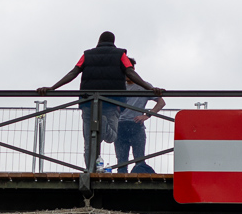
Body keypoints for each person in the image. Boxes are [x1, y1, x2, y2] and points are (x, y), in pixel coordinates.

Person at [37, 31, 163, 166]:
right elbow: (130, 72)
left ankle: (90, 170)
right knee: (112, 136)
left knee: (88, 142)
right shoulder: (120, 54)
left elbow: (73, 72)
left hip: (88, 102)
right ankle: (102, 122)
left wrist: (53, 87)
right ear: (113, 42)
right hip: (111, 102)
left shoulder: (86, 55)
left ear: (99, 41)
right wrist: (149, 88)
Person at [114, 80, 166, 173]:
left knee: (139, 160)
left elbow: (161, 102)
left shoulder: (144, 85)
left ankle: (138, 179)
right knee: (121, 162)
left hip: (136, 125)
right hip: (120, 125)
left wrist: (147, 115)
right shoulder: (120, 85)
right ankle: (122, 180)